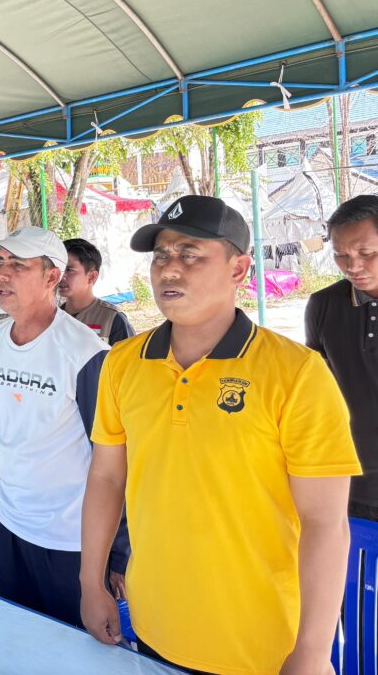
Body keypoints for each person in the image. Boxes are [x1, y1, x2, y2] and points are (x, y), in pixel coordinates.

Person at [81, 195, 360, 675]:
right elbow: (106, 479)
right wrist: (91, 584)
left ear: (239, 269)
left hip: (263, 645)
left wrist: (312, 651)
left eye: (191, 254)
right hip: (153, 627)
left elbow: (326, 524)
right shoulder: (122, 364)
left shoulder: (297, 374)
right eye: (162, 255)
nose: (170, 269)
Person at [0, 227, 125, 628]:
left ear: (51, 277)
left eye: (18, 265)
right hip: (8, 527)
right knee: (22, 640)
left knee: (78, 653)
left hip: (70, 541)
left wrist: (118, 553)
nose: (2, 275)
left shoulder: (85, 352)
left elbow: (114, 460)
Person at [306, 194, 378, 521]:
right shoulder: (323, 306)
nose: (353, 266)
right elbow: (316, 394)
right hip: (349, 483)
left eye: (367, 253)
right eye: (341, 255)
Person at [59, 238, 135, 345]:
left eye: (69, 270)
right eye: (59, 269)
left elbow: (129, 360)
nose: (61, 276)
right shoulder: (52, 318)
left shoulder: (112, 319)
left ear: (91, 277)